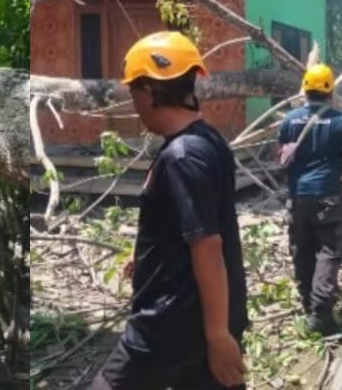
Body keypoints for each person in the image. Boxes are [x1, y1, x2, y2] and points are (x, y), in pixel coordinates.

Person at [91, 31, 248, 390]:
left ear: (150, 91)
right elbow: (196, 223)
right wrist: (148, 256)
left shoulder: (182, 157)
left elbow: (207, 244)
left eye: (134, 92)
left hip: (167, 324)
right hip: (198, 318)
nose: (134, 103)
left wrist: (218, 336)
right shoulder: (208, 141)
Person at [277, 64, 342, 335]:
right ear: (331, 91)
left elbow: (283, 156)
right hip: (327, 195)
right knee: (329, 250)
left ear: (305, 90)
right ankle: (321, 316)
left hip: (298, 195)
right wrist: (341, 179)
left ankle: (307, 305)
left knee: (302, 248)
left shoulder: (289, 120)